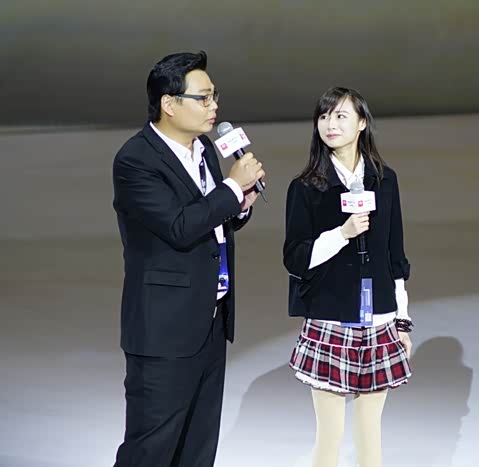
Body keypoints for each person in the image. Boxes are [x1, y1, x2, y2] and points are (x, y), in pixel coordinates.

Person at [111, 51, 265, 467]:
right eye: (203, 98)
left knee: (198, 448)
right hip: (164, 330)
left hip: (210, 322)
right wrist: (231, 189)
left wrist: (239, 205)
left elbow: (209, 221)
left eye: (215, 96)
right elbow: (179, 227)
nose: (214, 106)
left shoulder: (205, 150)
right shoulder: (136, 160)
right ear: (169, 103)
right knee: (151, 449)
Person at [283, 86, 413, 467]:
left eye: (341, 116)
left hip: (380, 320)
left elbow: (395, 256)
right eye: (324, 116)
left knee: (370, 433)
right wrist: (342, 234)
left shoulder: (385, 181)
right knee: (330, 435)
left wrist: (402, 320)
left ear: (361, 124)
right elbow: (295, 258)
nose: (330, 124)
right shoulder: (306, 187)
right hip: (329, 318)